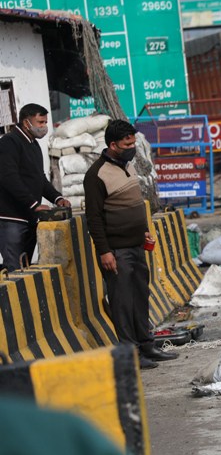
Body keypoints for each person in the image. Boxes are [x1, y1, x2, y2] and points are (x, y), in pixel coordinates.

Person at [83, 119, 177, 369]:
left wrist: (144, 231)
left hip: (136, 246)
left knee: (139, 297)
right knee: (123, 303)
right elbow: (94, 218)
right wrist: (104, 251)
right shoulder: (96, 175)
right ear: (113, 145)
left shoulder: (128, 166)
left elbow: (134, 205)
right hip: (116, 251)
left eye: (133, 142)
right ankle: (132, 354)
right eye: (127, 143)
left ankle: (147, 345)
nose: (132, 147)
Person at [0, 103, 71, 272]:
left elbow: (39, 178)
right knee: (14, 269)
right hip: (12, 219)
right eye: (40, 122)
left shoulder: (33, 144)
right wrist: (33, 203)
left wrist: (57, 197)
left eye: (45, 122)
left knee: (26, 267)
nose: (44, 127)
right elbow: (9, 178)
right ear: (26, 123)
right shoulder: (9, 142)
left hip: (29, 217)